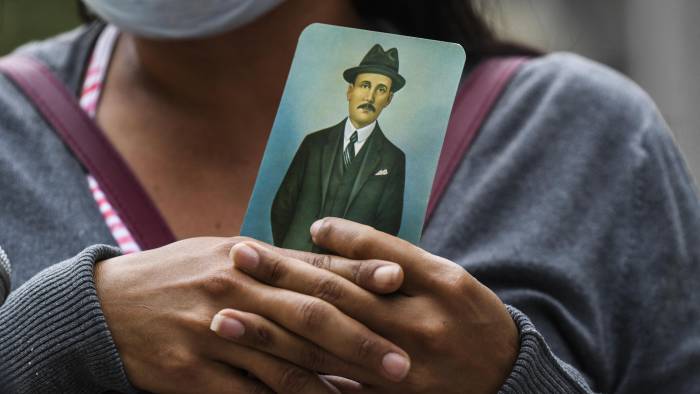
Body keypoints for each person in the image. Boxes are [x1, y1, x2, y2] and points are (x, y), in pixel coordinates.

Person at [0, 0, 698, 393]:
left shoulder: (578, 135)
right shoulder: (13, 132)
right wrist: (62, 333)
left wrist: (508, 378)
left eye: (376, 91)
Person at [271, 43, 406, 251]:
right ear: (350, 91)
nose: (370, 98)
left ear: (388, 99)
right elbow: (282, 207)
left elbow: (388, 229)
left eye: (381, 90)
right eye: (365, 85)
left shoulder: (393, 159)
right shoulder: (313, 144)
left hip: (346, 272)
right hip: (293, 257)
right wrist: (291, 250)